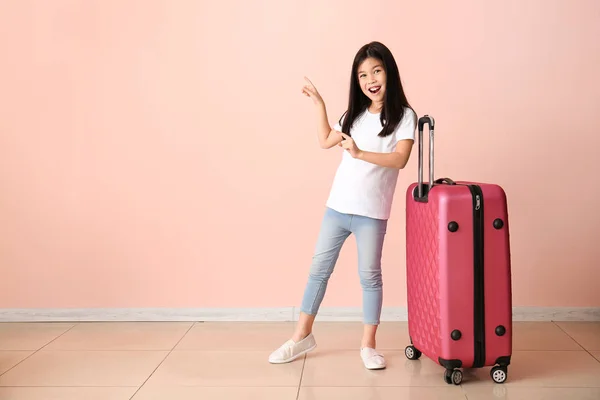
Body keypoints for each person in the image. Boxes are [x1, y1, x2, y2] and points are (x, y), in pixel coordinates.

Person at [268, 41, 417, 370]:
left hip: (371, 212)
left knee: (370, 277)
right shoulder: (353, 115)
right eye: (363, 75)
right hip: (337, 207)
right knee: (318, 271)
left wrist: (360, 153)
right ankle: (301, 337)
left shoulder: (404, 116)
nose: (370, 79)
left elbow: (400, 159)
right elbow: (325, 141)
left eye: (376, 71)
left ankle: (368, 346)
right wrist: (320, 104)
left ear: (388, 72)